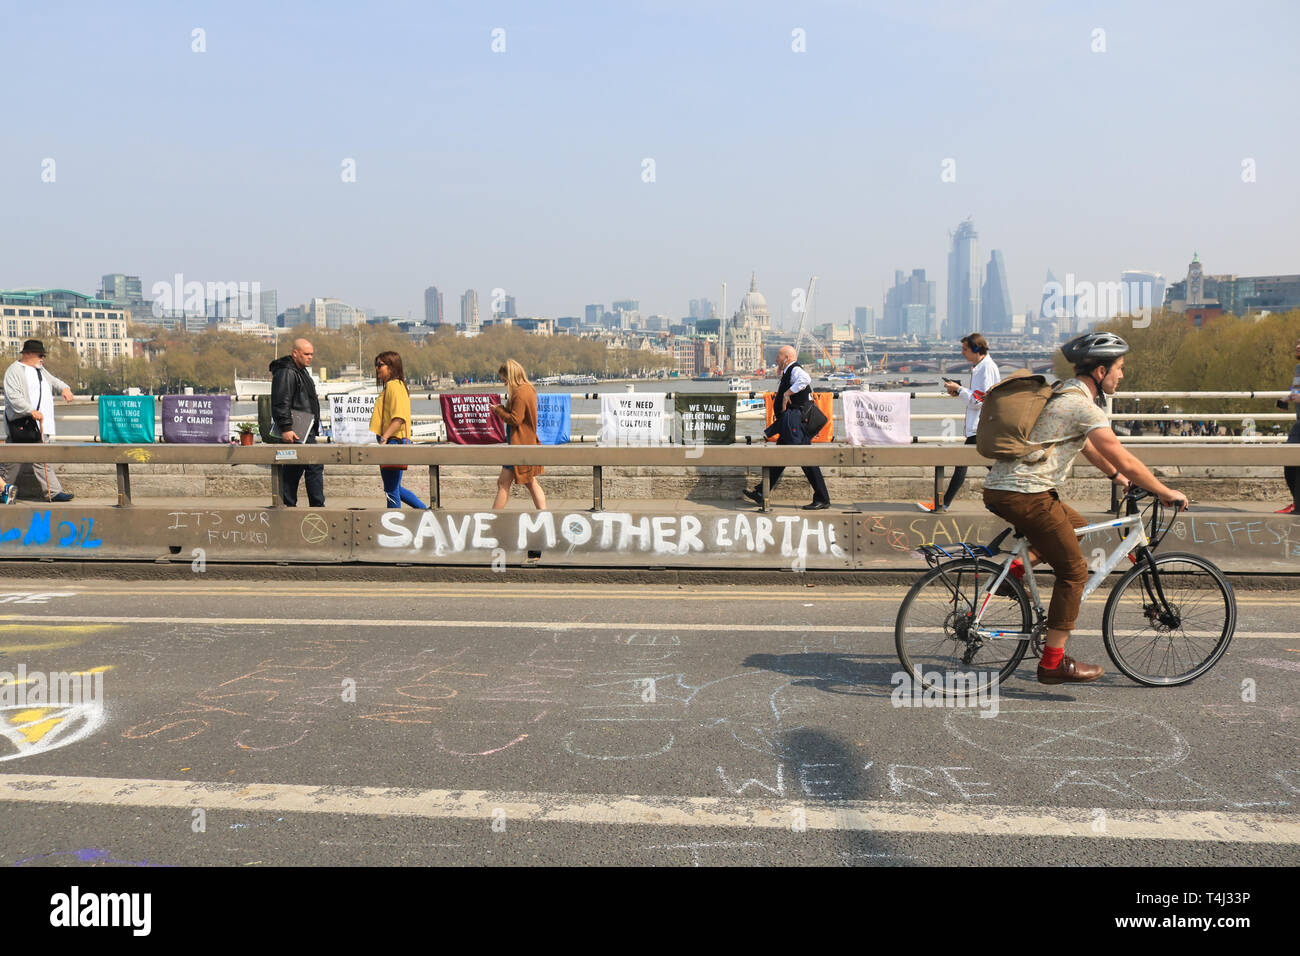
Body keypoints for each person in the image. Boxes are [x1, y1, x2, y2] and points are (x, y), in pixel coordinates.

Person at [982, 331, 1188, 685]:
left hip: (1006, 487)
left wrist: (1116, 476)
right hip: (1026, 493)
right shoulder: (1081, 404)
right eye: (1119, 368)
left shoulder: (1063, 391)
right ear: (1100, 371)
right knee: (1074, 573)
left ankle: (1013, 571)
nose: (1121, 375)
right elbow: (1122, 453)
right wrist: (1164, 491)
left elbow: (1088, 446)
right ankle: (1052, 663)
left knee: (1073, 526)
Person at [917, 332, 1000, 512]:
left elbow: (979, 400)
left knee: (963, 464)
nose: (962, 353)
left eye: (965, 349)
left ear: (976, 349)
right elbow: (979, 396)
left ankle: (942, 504)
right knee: (992, 469)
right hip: (980, 427)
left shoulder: (986, 368)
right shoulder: (980, 366)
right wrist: (960, 391)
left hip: (980, 427)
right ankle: (1011, 495)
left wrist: (960, 389)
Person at [743, 344, 830, 510]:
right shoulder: (788, 371)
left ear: (786, 358)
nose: (776, 360)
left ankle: (822, 498)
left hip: (796, 423)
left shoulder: (795, 369)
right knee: (780, 457)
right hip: (791, 424)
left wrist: (786, 394)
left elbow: (806, 379)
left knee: (806, 459)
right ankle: (762, 492)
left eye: (778, 356)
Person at [1, 340, 76, 503]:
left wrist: (65, 388)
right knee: (12, 462)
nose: (42, 358)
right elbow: (14, 398)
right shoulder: (14, 371)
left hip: (40, 425)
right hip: (23, 423)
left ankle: (53, 492)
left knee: (42, 458)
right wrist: (30, 410)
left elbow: (54, 380)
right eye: (40, 355)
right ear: (27, 354)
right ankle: (4, 490)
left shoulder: (39, 369)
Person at [269, 338, 324, 507]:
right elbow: (281, 401)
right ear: (295, 353)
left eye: (312, 354)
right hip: (296, 430)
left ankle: (288, 504)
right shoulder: (287, 372)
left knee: (295, 468)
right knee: (312, 466)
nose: (310, 357)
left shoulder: (301, 371)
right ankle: (316, 506)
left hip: (305, 429)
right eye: (306, 354)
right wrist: (286, 428)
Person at [370, 350, 426, 510]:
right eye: (376, 364)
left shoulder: (394, 386)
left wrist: (384, 438)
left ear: (391, 366)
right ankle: (427, 513)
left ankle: (394, 522)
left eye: (380, 365)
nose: (377, 368)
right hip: (393, 439)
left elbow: (399, 418)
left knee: (391, 490)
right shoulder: (394, 386)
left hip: (393, 440)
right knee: (394, 487)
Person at [491, 359, 547, 510]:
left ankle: (494, 519)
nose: (504, 383)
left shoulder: (520, 393)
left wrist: (498, 410)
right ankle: (544, 514)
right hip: (523, 443)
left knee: (506, 484)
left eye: (504, 380)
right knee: (528, 482)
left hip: (519, 446)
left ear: (511, 376)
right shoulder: (528, 389)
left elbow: (516, 419)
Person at [1279, 335, 1300, 515]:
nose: (1297, 345)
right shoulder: (1299, 367)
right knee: (1290, 462)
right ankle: (1297, 502)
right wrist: (1287, 398)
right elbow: (1296, 388)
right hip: (1299, 424)